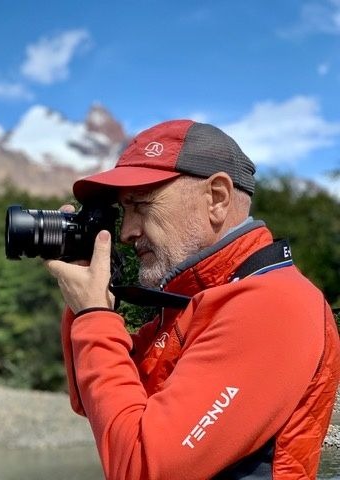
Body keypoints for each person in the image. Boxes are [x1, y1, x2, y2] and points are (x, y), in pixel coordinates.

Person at [45, 119, 340, 480]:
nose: (126, 232)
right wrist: (83, 303)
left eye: (140, 204)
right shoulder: (194, 306)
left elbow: (143, 468)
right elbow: (98, 405)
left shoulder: (274, 305)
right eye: (124, 210)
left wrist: (93, 315)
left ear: (216, 198)